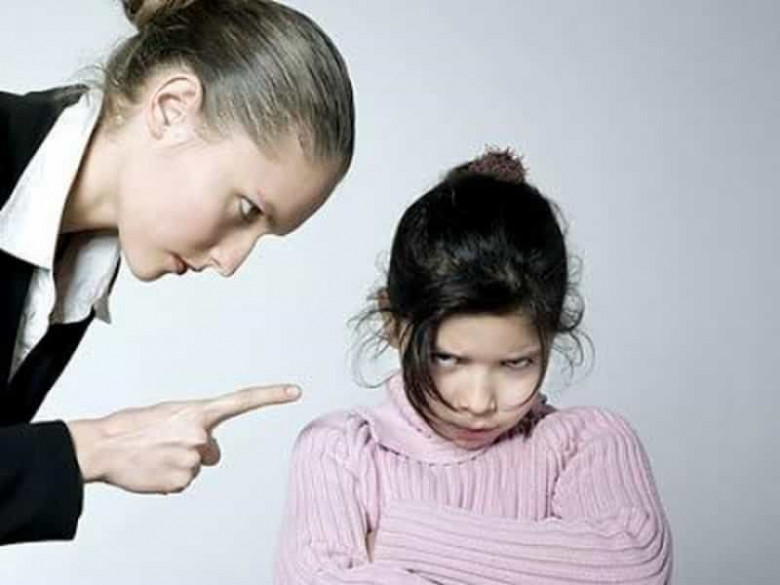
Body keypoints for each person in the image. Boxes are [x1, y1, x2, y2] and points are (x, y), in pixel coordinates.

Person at [0, 0, 354, 545]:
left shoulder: (73, 264)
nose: (231, 263)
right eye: (247, 210)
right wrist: (96, 447)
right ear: (172, 110)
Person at [274, 149, 672, 583]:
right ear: (393, 324)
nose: (479, 402)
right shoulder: (341, 452)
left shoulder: (581, 446)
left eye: (516, 363)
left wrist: (404, 539)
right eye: (447, 359)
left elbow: (635, 568)